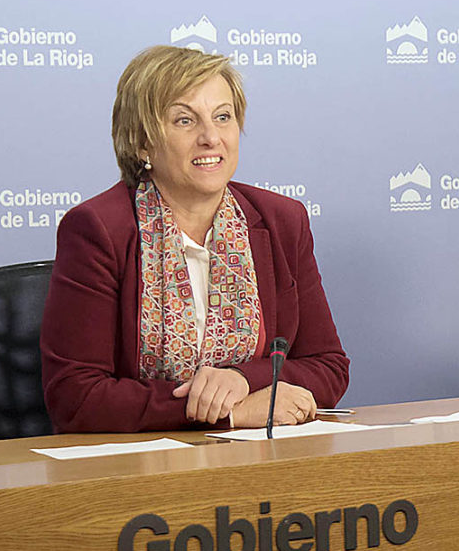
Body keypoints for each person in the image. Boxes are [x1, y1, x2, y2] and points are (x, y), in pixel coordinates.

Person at [41, 45, 349, 431]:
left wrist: (244, 379)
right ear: (142, 142)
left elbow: (329, 367)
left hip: (265, 465)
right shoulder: (98, 228)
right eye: (185, 121)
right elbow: (76, 397)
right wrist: (228, 415)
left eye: (223, 117)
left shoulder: (282, 221)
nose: (210, 137)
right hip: (140, 472)